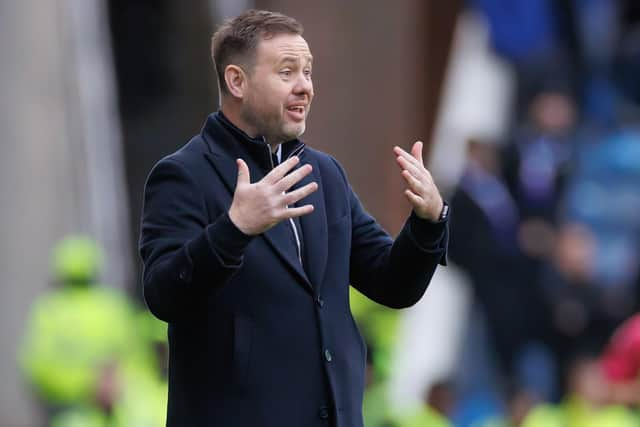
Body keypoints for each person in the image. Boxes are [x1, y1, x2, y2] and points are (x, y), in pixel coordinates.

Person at [139, 9, 449, 427]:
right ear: (237, 82)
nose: (305, 87)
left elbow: (393, 284)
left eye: (308, 72)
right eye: (287, 72)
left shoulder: (326, 174)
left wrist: (428, 222)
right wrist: (233, 230)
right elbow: (163, 294)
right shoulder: (183, 174)